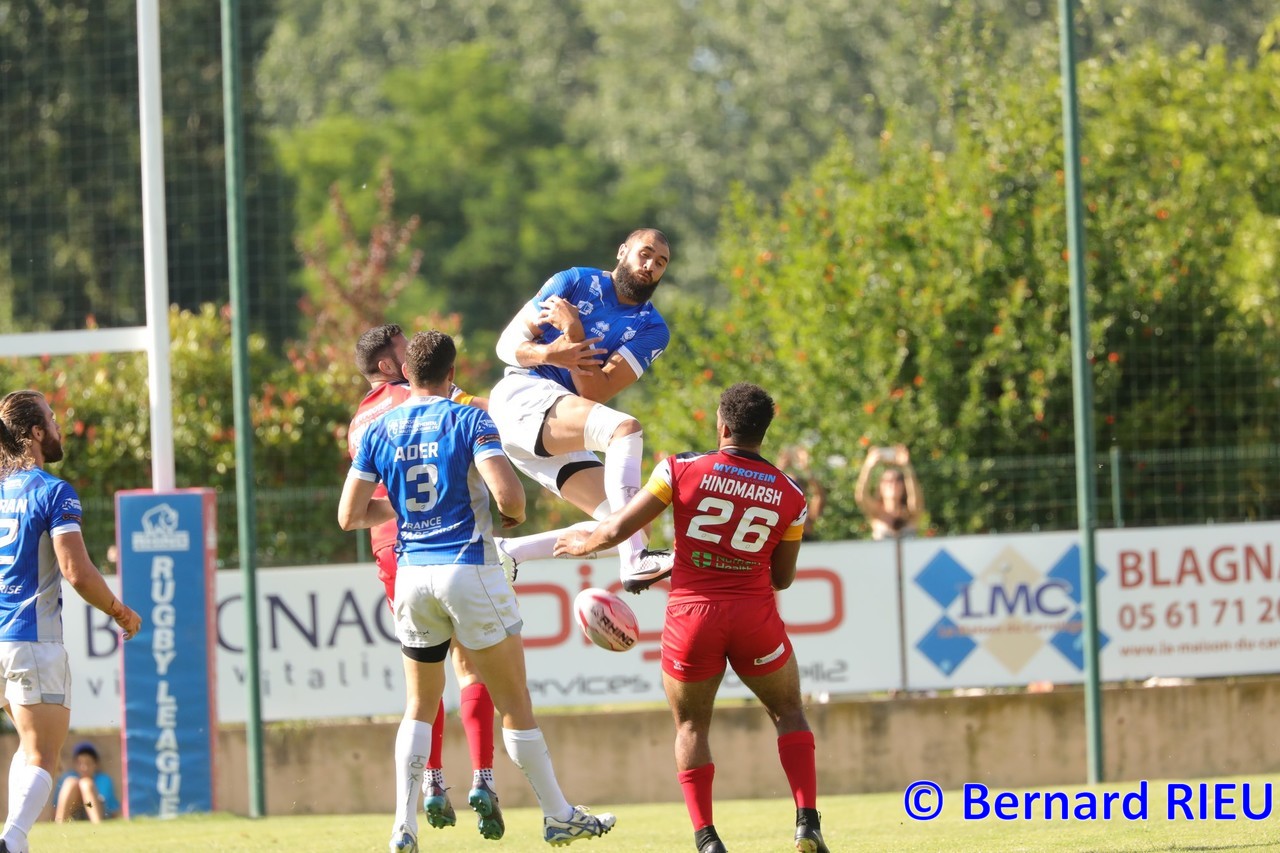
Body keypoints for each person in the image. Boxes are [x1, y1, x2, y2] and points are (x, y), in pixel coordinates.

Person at [339, 330, 616, 852]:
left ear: (408, 372)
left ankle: (403, 827)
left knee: (419, 706)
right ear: (451, 373)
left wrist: (409, 507)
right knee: (515, 702)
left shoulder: (377, 427)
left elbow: (349, 515)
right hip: (466, 567)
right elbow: (510, 499)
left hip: (411, 574)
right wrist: (507, 515)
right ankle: (557, 815)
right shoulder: (468, 417)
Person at [554, 382, 830, 853]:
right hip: (753, 615)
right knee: (788, 712)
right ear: (763, 431)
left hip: (691, 616)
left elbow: (619, 527)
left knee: (691, 727)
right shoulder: (791, 495)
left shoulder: (680, 468)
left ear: (721, 425)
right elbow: (782, 579)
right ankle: (807, 823)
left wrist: (584, 544)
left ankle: (707, 838)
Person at [349, 324, 505, 839]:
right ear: (392, 367)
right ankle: (483, 777)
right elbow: (484, 413)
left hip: (390, 553)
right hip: (438, 540)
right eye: (403, 353)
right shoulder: (416, 399)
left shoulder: (360, 419)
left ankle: (433, 783)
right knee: (470, 664)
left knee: (423, 678)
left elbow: (357, 504)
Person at [487, 228, 675, 593]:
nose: (650, 266)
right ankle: (636, 561)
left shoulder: (653, 328)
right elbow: (506, 346)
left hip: (557, 423)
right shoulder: (575, 281)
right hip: (521, 395)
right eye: (645, 254)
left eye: (660, 262)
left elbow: (596, 392)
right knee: (625, 429)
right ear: (622, 251)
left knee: (631, 526)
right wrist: (548, 353)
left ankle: (509, 551)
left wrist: (574, 333)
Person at [0, 390, 142, 853]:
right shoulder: (51, 491)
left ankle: (15, 841)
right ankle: (12, 841)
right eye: (52, 418)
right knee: (45, 756)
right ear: (35, 433)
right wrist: (120, 611)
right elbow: (76, 572)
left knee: (28, 747)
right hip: (31, 640)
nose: (59, 426)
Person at [854, 444, 924, 540]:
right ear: (880, 487)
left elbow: (915, 496)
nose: (892, 484)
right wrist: (868, 466)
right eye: (887, 481)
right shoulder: (876, 512)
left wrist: (907, 466)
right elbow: (861, 496)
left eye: (898, 480)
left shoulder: (911, 512)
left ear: (904, 485)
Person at [53, 742, 119, 823]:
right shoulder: (68, 778)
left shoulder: (103, 780)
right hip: (76, 812)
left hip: (97, 811)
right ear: (75, 764)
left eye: (88, 763)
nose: (84, 768)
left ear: (95, 764)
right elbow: (56, 807)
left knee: (86, 784)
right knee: (71, 782)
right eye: (80, 763)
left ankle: (97, 824)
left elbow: (110, 808)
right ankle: (60, 823)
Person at [776, 445, 825, 541]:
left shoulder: (806, 514)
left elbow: (819, 496)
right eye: (788, 486)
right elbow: (769, 487)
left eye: (795, 486)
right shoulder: (776, 508)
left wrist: (806, 468)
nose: (792, 490)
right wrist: (779, 467)